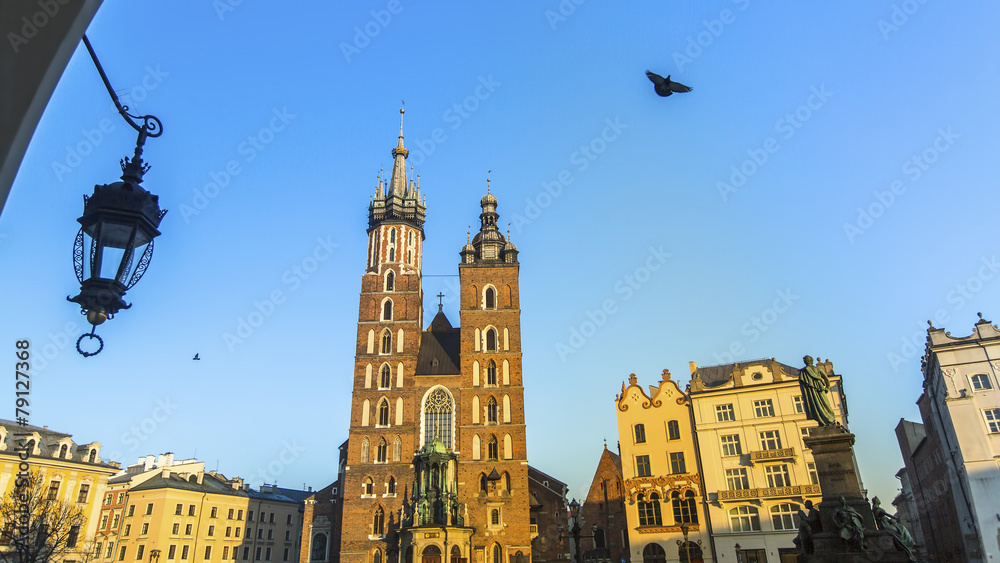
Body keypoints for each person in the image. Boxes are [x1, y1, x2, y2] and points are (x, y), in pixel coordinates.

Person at [799, 355, 837, 426]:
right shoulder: (817, 369)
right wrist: (827, 388)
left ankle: (825, 420)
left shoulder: (804, 371)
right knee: (825, 405)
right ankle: (829, 420)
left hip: (812, 391)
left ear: (805, 362)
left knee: (818, 405)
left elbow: (802, 385)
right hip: (820, 389)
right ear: (812, 361)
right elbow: (826, 379)